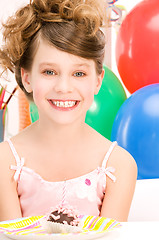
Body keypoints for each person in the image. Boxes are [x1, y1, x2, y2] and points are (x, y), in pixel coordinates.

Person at [0, 0, 137, 222]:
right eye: (49, 72)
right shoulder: (5, 162)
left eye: (79, 74)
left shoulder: (118, 165)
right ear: (27, 78)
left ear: (98, 81)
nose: (63, 87)